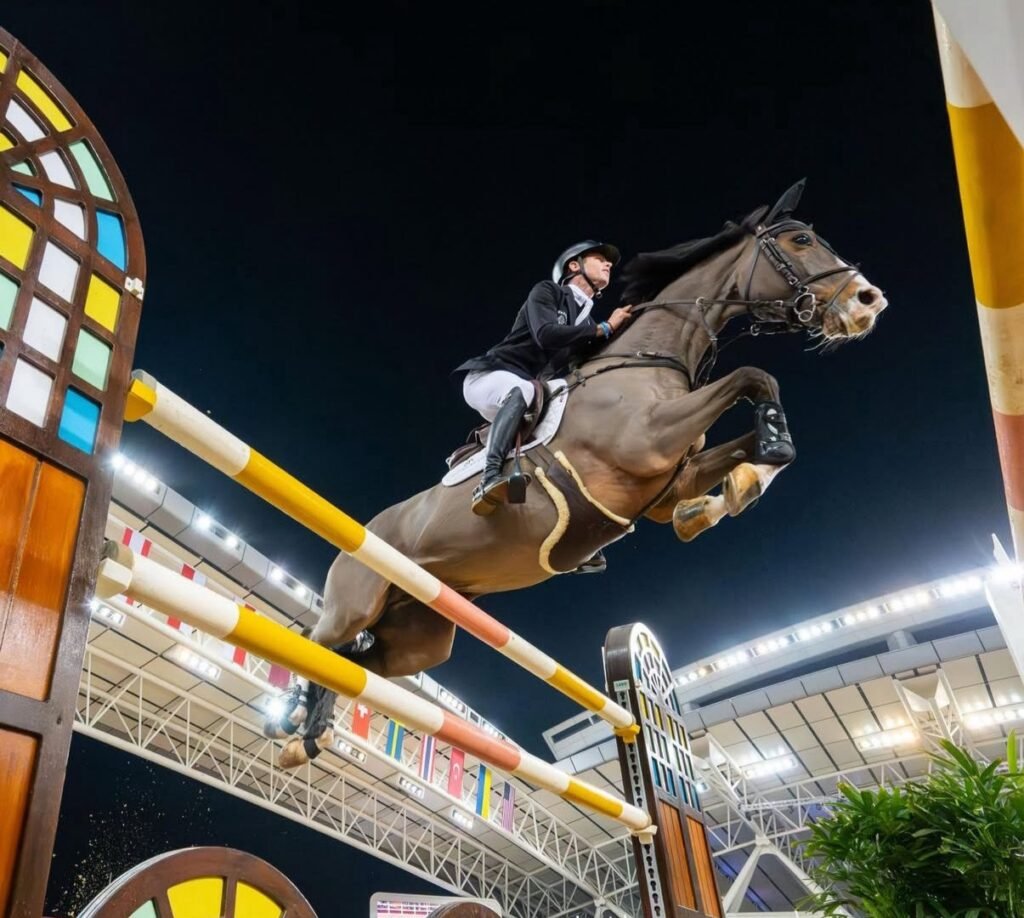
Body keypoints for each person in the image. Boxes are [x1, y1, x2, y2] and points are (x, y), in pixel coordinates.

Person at [455, 240, 634, 517]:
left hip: (527, 393)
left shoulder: (586, 322)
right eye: (599, 259)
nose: (608, 264)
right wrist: (604, 328)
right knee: (524, 390)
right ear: (574, 266)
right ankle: (489, 478)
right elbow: (546, 334)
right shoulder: (548, 291)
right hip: (488, 376)